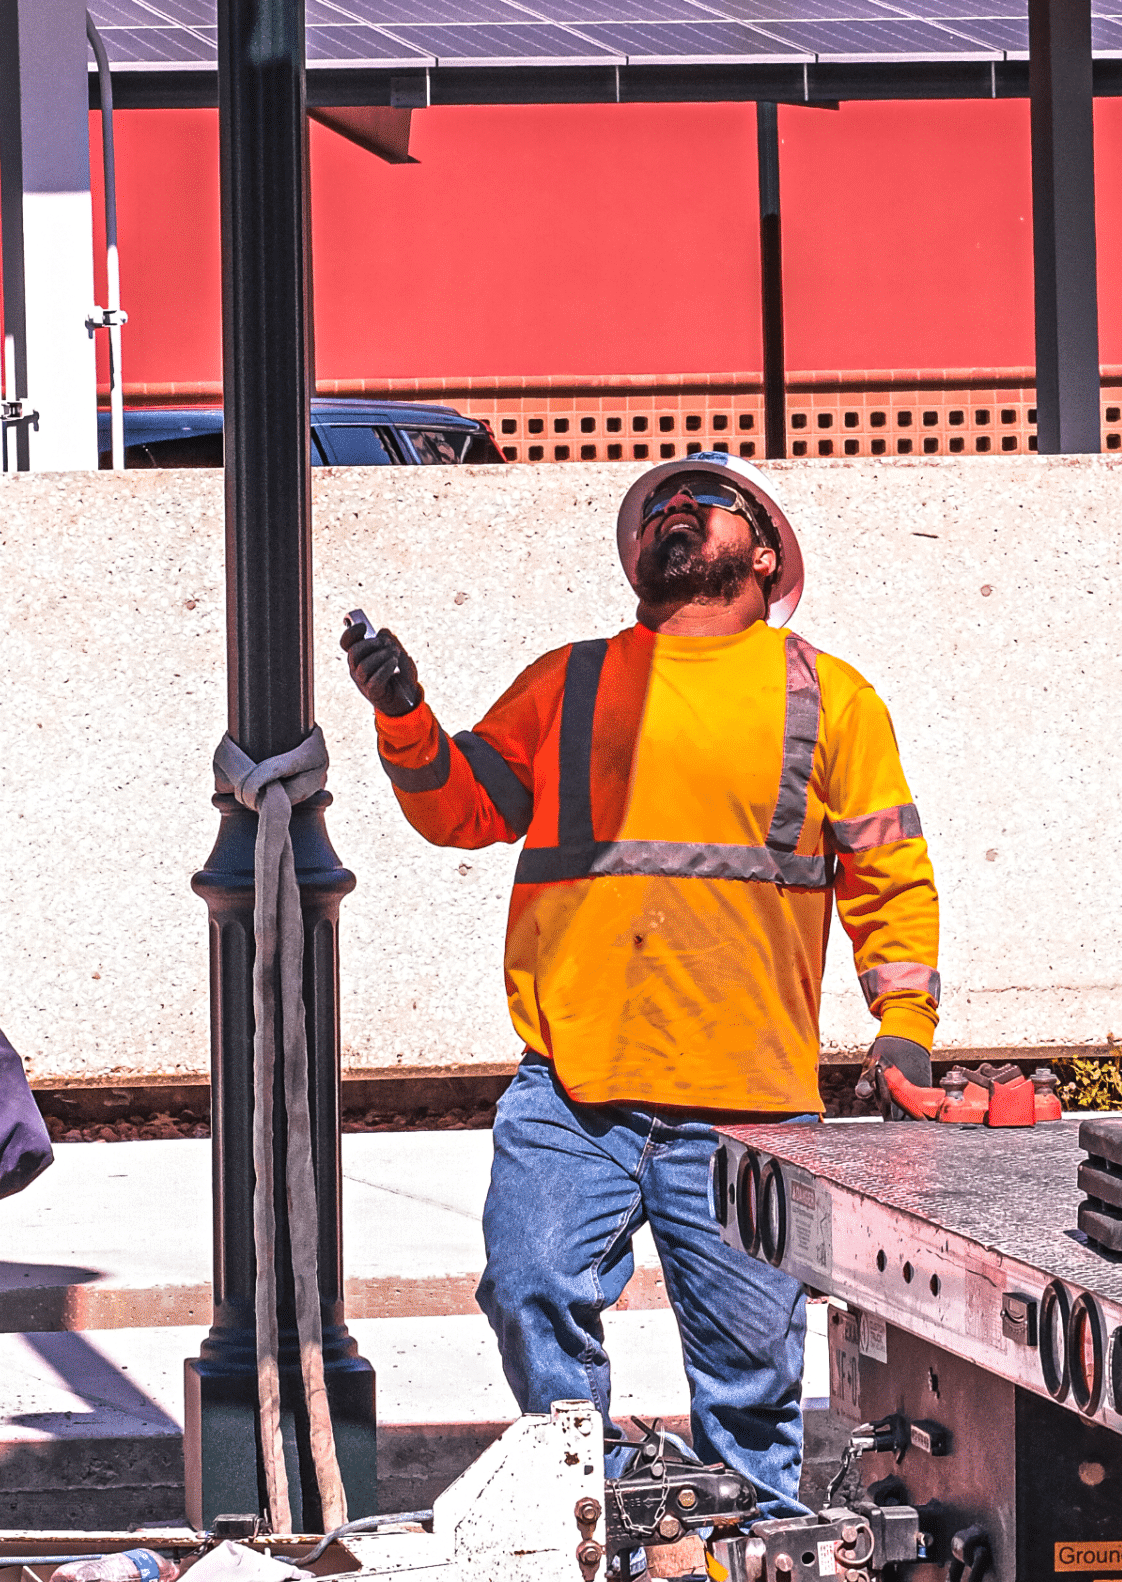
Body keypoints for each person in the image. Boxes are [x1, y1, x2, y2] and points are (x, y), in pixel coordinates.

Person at [338, 452, 940, 1516]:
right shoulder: (568, 683)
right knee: (527, 1287)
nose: (673, 509)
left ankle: (751, 1541)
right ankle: (602, 1513)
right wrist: (405, 721)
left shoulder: (829, 698)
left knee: (752, 1387)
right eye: (657, 506)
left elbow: (887, 868)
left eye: (699, 502)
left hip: (746, 1112)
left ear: (761, 550)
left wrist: (903, 1023)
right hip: (575, 1092)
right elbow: (463, 809)